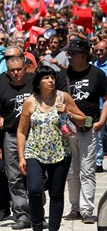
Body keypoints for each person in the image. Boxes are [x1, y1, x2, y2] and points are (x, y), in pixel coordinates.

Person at [17, 66, 86, 231]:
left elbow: (84, 121)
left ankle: (54, 228)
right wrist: (21, 156)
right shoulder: (30, 101)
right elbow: (21, 131)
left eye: (52, 77)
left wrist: (68, 113)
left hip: (61, 153)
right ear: (38, 82)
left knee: (56, 193)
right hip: (34, 152)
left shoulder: (64, 97)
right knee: (34, 190)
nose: (50, 81)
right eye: (46, 78)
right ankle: (38, 227)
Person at [57, 39, 107, 224]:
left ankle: (87, 210)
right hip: (67, 130)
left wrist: (102, 121)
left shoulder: (97, 74)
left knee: (87, 171)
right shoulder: (63, 76)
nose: (69, 56)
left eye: (73, 53)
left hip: (89, 128)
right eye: (68, 53)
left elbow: (106, 98)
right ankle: (75, 208)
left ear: (84, 55)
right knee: (71, 172)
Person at [0, 56, 32, 229]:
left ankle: (36, 211)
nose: (16, 73)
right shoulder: (2, 89)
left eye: (19, 69)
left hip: (34, 135)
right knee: (14, 177)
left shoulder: (34, 84)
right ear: (8, 71)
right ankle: (22, 215)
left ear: (25, 68)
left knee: (37, 177)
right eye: (12, 70)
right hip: (11, 137)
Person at [0, 46, 25, 222]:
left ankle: (30, 208)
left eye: (14, 57)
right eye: (7, 58)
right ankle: (3, 206)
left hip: (28, 134)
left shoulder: (31, 78)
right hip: (5, 133)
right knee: (1, 170)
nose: (10, 60)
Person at [93, 40, 107, 173]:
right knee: (98, 135)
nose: (98, 53)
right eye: (96, 50)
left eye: (101, 50)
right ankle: (98, 162)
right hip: (99, 105)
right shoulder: (94, 66)